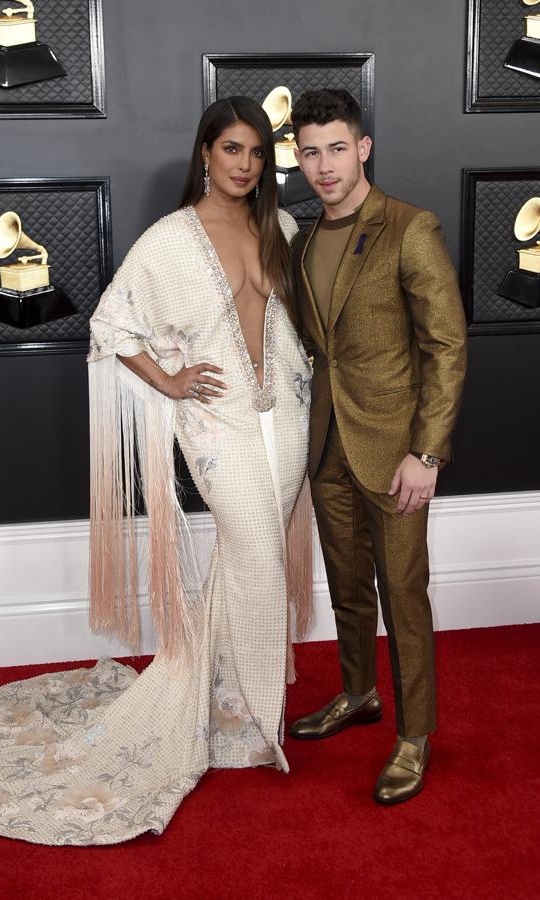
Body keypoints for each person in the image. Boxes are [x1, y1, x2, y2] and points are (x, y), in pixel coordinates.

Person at [0, 97, 313, 844]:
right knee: (254, 552)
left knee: (249, 559)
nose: (244, 164)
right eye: (231, 149)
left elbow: (297, 325)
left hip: (285, 415)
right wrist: (169, 381)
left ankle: (226, 700)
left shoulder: (280, 229)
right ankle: (257, 718)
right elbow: (110, 323)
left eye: (256, 152)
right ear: (204, 153)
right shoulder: (168, 240)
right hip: (215, 424)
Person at [287, 88, 467, 804]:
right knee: (347, 588)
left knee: (402, 593)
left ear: (362, 148)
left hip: (395, 450)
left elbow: (446, 347)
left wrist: (425, 454)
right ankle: (357, 692)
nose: (324, 165)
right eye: (310, 151)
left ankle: (413, 735)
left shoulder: (408, 227)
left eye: (337, 147)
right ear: (296, 159)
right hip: (325, 443)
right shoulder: (303, 240)